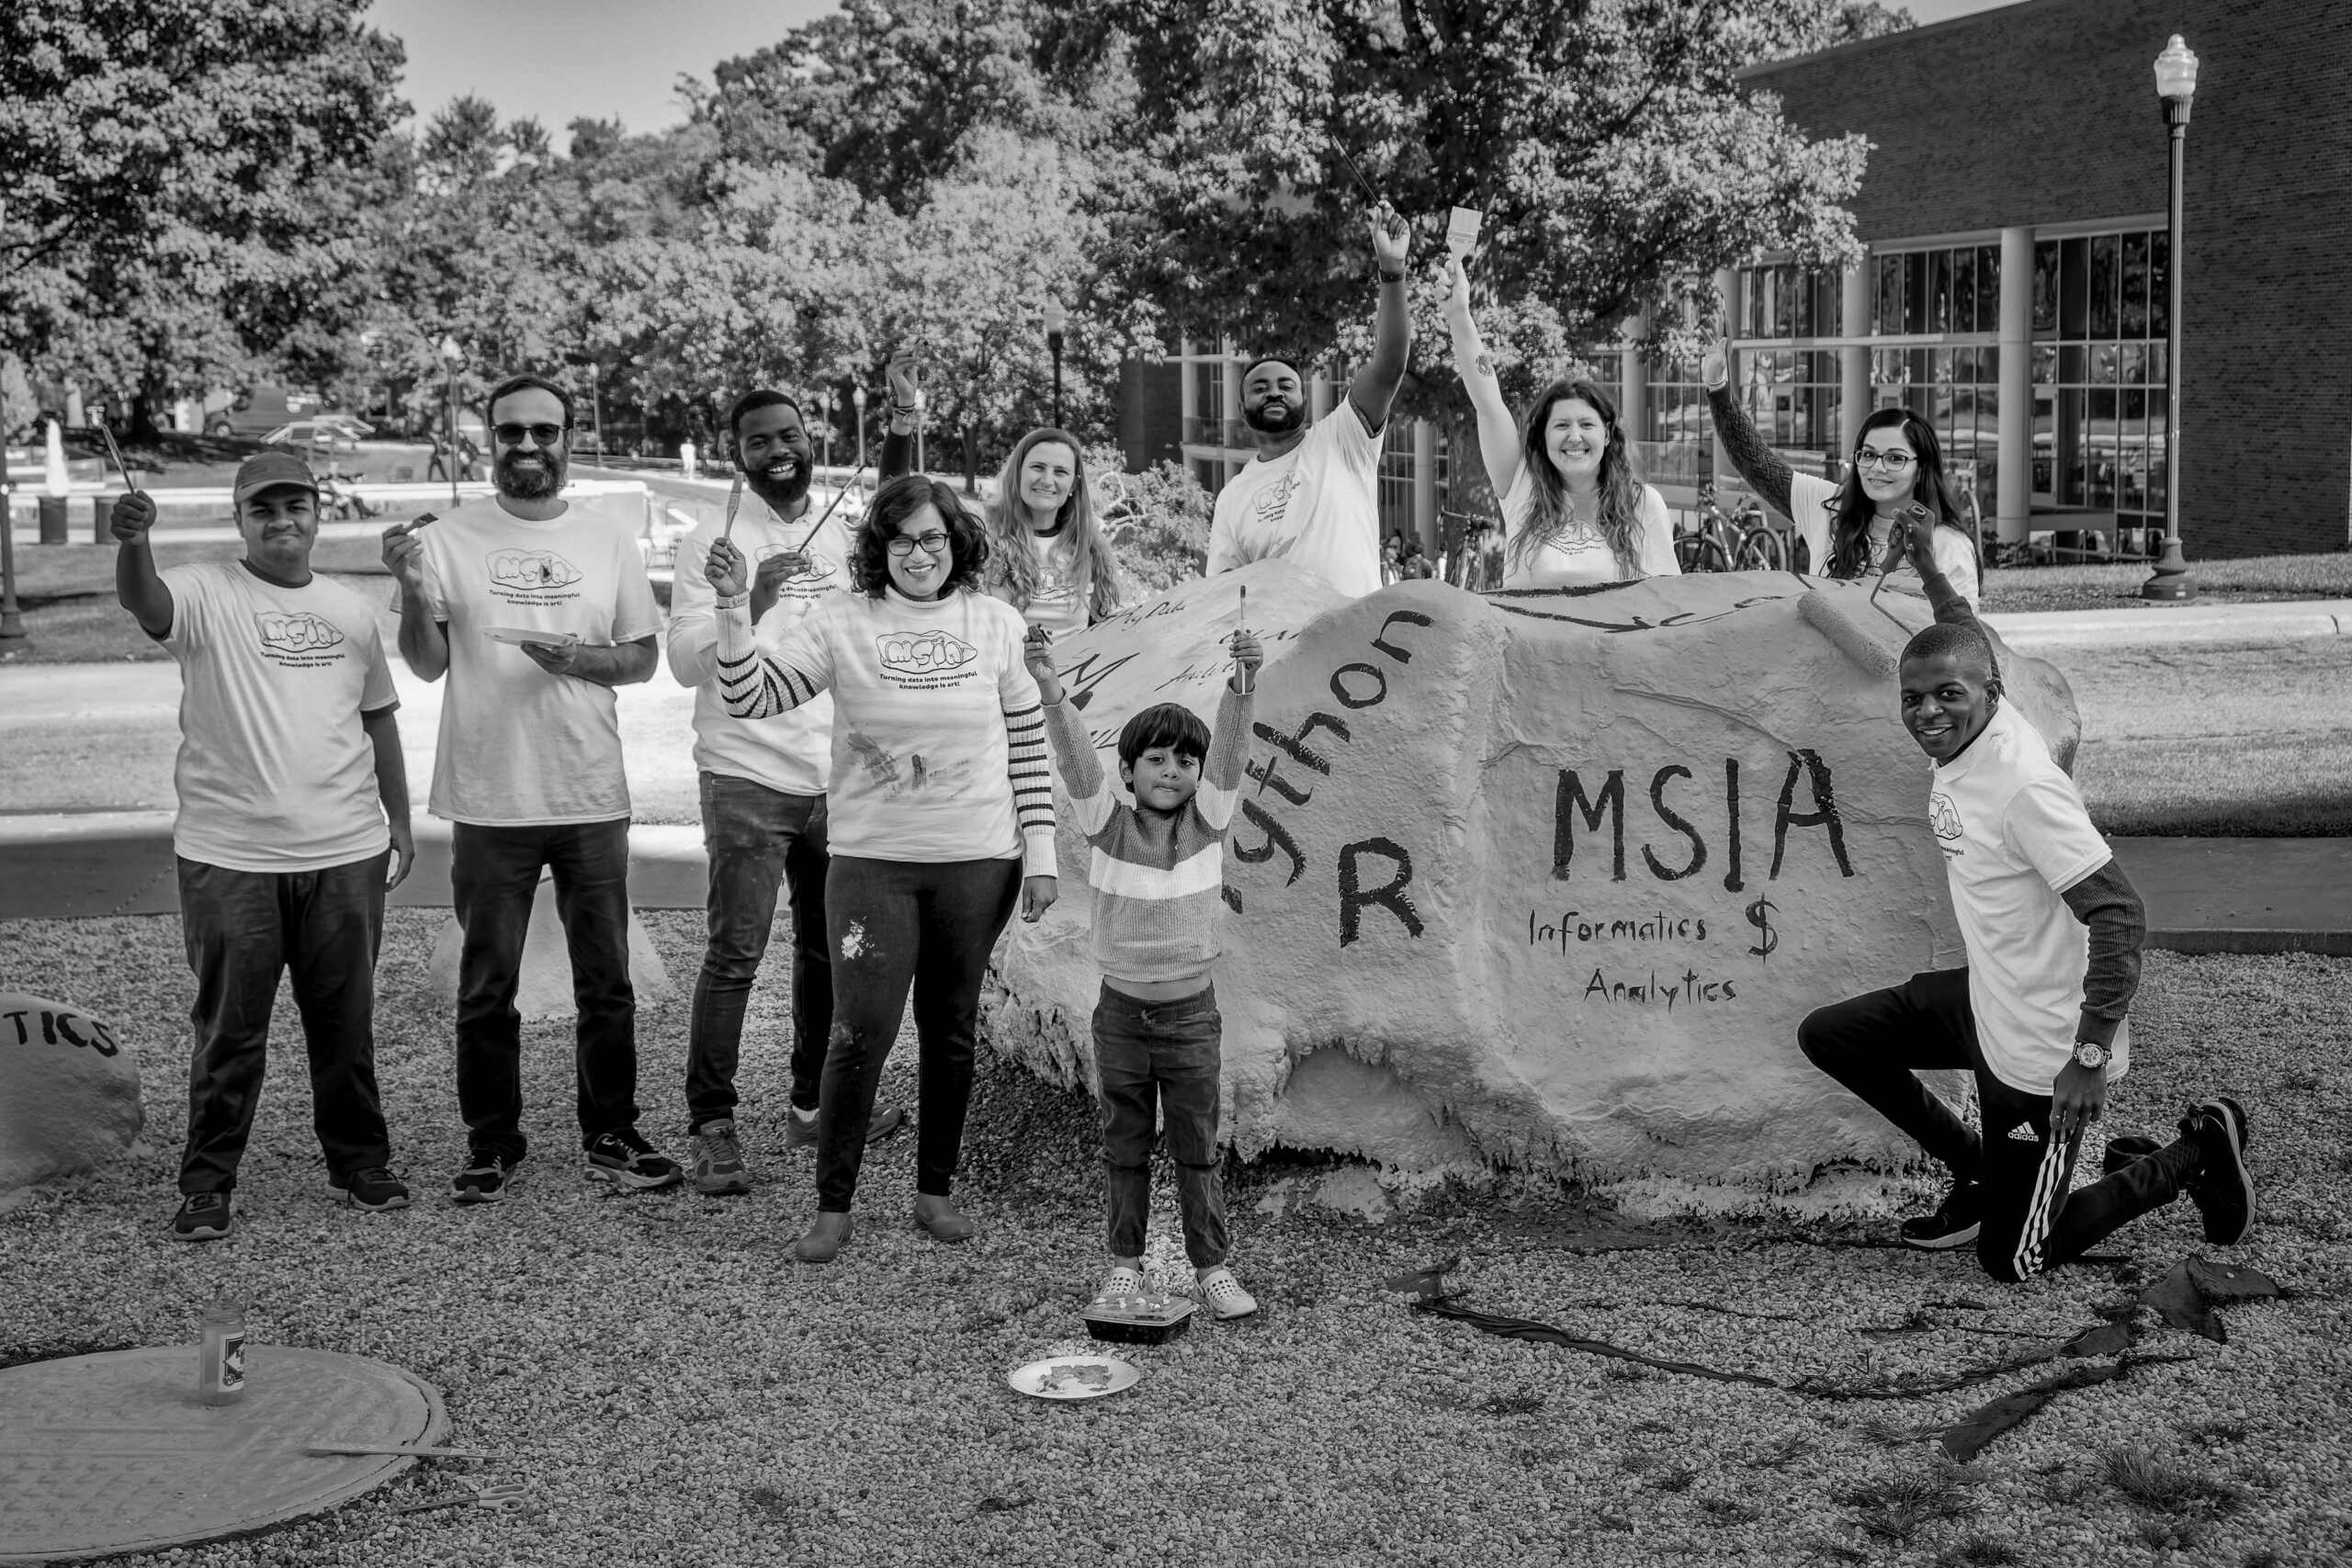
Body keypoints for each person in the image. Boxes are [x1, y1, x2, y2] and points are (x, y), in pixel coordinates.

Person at [1795, 505, 2255, 1280]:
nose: (1927, 713)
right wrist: (1930, 569)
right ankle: (1984, 1168)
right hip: (1985, 1002)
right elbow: (1962, 633)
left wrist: (2086, 1058)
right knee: (1831, 1035)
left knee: (2014, 1257)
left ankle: (2194, 1155)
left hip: (2043, 1053)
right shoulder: (1986, 707)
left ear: (1990, 692)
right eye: (1913, 698)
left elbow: (2119, 912)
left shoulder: (2023, 786)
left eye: (1947, 696)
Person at [707, 474, 1058, 1262]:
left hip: (980, 861)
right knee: (860, 1031)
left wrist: (1041, 855)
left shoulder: (997, 623)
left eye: (933, 537)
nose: (919, 552)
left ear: (956, 542)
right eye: (901, 539)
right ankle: (834, 1206)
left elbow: (1030, 746)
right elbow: (749, 697)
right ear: (879, 547)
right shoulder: (842, 620)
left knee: (952, 1029)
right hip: (871, 863)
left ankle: (935, 1190)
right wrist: (734, 608)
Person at [380, 373, 678, 1203]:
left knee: (606, 982)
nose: (527, 447)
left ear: (568, 440)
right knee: (487, 985)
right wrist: (409, 587)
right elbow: (428, 661)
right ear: (490, 441)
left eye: (543, 432)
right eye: (510, 432)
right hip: (488, 794)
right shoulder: (444, 536)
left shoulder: (609, 536)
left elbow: (643, 657)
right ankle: (492, 1141)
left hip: (588, 790)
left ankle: (611, 1131)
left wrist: (581, 660)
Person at [112, 452, 416, 1240]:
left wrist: (401, 820)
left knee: (344, 1020)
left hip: (346, 847)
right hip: (230, 853)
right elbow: (145, 602)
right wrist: (134, 542)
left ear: (319, 512)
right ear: (239, 518)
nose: (283, 521)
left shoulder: (350, 609)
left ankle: (360, 1160)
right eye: (264, 509)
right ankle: (209, 1180)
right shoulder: (206, 591)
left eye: (297, 505)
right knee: (229, 1028)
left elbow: (378, 717)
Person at [665, 389, 904, 1198]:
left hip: (835, 777)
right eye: (760, 439)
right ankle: (712, 1124)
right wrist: (752, 596)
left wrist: (904, 425)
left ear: (812, 441)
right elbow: (684, 660)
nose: (778, 449)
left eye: (791, 435)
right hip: (745, 772)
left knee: (825, 950)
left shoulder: (842, 532)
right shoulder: (715, 537)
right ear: (737, 453)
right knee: (735, 951)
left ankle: (812, 1102)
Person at [1029, 620, 1262, 1318]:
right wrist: (1048, 686)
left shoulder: (1208, 822)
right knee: (1123, 1145)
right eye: (1156, 759)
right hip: (1123, 1017)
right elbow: (1074, 760)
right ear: (1128, 771)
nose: (1172, 770)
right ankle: (1125, 1265)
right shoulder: (1107, 823)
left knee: (1197, 1147)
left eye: (1183, 761)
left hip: (1192, 1017)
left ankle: (1211, 1266)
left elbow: (1230, 752)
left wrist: (1243, 683)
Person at [1204, 206, 1414, 600]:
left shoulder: (1343, 438)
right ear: (1242, 409)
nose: (1274, 392)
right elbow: (1224, 598)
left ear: (1304, 400)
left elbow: (1389, 364)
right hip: (1285, 656)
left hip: (1360, 644)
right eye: (1259, 387)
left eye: (1286, 384)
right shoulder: (1233, 497)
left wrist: (1392, 270)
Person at [1442, 259, 1679, 587]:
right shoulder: (1522, 489)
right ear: (1543, 436)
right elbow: (1488, 404)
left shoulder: (1644, 504)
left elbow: (1666, 599)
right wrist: (1459, 316)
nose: (1575, 437)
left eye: (1587, 424)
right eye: (1562, 426)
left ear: (1608, 434)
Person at [1701, 339, 1981, 602]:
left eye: (1895, 458)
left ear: (1922, 469)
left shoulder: (1948, 546)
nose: (1877, 468)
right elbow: (1757, 463)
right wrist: (1718, 385)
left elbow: (1964, 638)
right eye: (1868, 454)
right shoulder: (1829, 507)